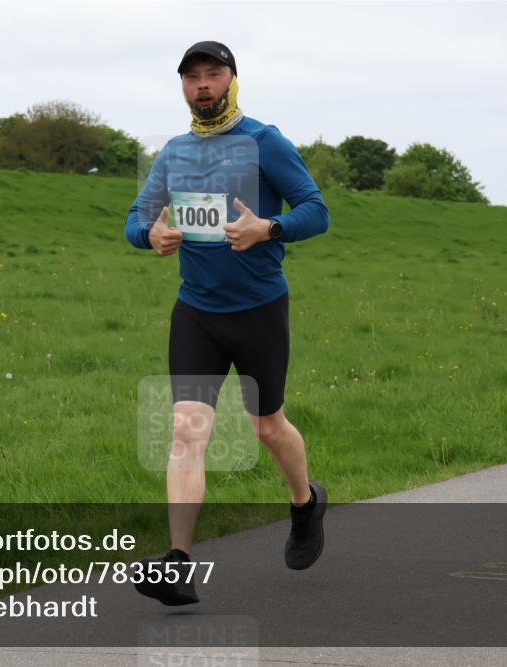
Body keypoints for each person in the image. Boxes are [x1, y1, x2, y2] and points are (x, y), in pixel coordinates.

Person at [124, 41, 330, 606]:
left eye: (213, 74)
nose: (202, 85)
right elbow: (135, 219)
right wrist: (152, 235)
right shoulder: (174, 152)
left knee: (267, 427)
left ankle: (305, 503)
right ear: (183, 88)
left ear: (233, 80)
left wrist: (269, 228)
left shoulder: (265, 141)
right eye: (191, 77)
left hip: (260, 309)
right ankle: (179, 564)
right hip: (197, 311)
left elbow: (316, 210)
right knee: (188, 430)